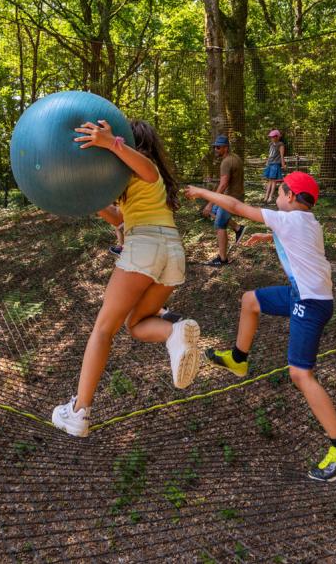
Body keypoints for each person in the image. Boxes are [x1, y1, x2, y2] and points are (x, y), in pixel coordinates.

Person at [186, 171, 336, 482]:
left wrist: (204, 193)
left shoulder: (290, 219)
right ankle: (238, 359)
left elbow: (236, 206)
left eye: (280, 193)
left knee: (300, 374)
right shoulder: (308, 222)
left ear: (292, 197)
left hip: (310, 303)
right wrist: (269, 237)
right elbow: (299, 241)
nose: (276, 197)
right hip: (306, 295)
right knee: (250, 300)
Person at [52, 118, 201, 438]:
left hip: (145, 246)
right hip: (171, 252)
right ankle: (173, 333)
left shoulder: (142, 167)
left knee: (104, 329)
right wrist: (91, 204)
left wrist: (111, 144)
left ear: (129, 142)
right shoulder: (134, 181)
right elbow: (120, 218)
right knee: (136, 323)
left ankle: (78, 411)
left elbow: (146, 169)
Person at [201, 134, 245, 267]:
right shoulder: (235, 157)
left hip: (230, 198)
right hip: (235, 195)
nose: (216, 150)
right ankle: (238, 228)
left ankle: (223, 259)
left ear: (226, 148)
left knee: (219, 225)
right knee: (214, 212)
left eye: (218, 147)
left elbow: (224, 184)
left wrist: (210, 202)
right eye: (215, 147)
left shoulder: (226, 162)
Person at [262, 129, 286, 204]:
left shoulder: (281, 144)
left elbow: (282, 155)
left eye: (273, 137)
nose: (272, 138)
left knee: (274, 181)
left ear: (277, 137)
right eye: (271, 137)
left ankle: (270, 197)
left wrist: (283, 164)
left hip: (276, 164)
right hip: (270, 164)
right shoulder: (271, 144)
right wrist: (267, 162)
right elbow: (270, 155)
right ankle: (266, 196)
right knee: (269, 181)